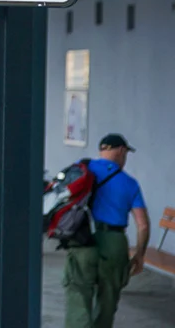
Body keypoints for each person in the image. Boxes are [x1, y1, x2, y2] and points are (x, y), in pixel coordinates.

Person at [64, 134, 150, 328]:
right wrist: (139, 255)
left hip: (83, 239)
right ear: (121, 151)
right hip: (114, 243)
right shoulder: (129, 183)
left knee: (78, 296)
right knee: (108, 300)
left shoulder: (82, 167)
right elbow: (143, 224)